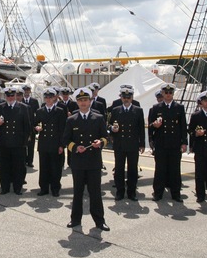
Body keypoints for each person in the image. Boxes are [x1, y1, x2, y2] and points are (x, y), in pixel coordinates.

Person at [64, 87, 109, 231]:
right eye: (80, 100)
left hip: (94, 161)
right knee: (77, 192)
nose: (83, 103)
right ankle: (75, 219)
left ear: (90, 101)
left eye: (85, 100)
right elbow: (66, 139)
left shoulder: (98, 118)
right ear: (77, 102)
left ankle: (99, 221)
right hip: (78, 161)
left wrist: (100, 143)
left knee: (95, 192)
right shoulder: (71, 119)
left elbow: (106, 137)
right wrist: (75, 147)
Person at [148, 83, 187, 202]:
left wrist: (184, 142)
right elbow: (150, 127)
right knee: (160, 170)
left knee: (175, 170)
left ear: (173, 94)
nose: (168, 95)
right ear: (162, 94)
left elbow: (183, 126)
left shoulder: (179, 108)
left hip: (175, 143)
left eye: (170, 92)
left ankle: (176, 194)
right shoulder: (156, 108)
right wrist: (155, 126)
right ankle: (158, 193)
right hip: (161, 143)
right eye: (166, 92)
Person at [107, 84, 145, 201]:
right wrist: (112, 130)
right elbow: (109, 124)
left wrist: (142, 143)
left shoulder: (138, 110)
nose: (126, 99)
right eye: (124, 97)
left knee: (133, 169)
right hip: (120, 143)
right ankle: (120, 191)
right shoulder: (115, 110)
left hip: (133, 144)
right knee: (119, 169)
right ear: (121, 98)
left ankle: (131, 192)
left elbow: (141, 128)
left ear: (132, 97)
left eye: (129, 97)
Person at [0, 87, 31, 195]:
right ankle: (4, 188)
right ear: (5, 96)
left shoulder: (23, 107)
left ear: (15, 96)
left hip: (18, 143)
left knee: (18, 166)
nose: (10, 97)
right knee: (4, 166)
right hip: (4, 142)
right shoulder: (0, 107)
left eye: (12, 95)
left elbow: (27, 126)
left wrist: (25, 142)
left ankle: (17, 188)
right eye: (8, 96)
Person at [33, 88, 67, 197]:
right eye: (46, 97)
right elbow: (34, 125)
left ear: (54, 98)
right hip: (44, 143)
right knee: (44, 167)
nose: (48, 99)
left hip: (55, 143)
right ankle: (44, 188)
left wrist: (62, 145)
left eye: (50, 97)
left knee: (55, 167)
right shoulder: (40, 111)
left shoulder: (60, 111)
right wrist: (36, 128)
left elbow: (63, 129)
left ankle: (55, 188)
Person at [22, 84, 40, 168]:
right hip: (22, 126)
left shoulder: (34, 101)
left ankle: (30, 161)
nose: (26, 92)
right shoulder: (20, 100)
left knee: (31, 145)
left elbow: (38, 113)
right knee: (23, 144)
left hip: (31, 125)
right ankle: (24, 160)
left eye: (28, 90)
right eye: (25, 90)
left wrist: (36, 125)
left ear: (30, 91)